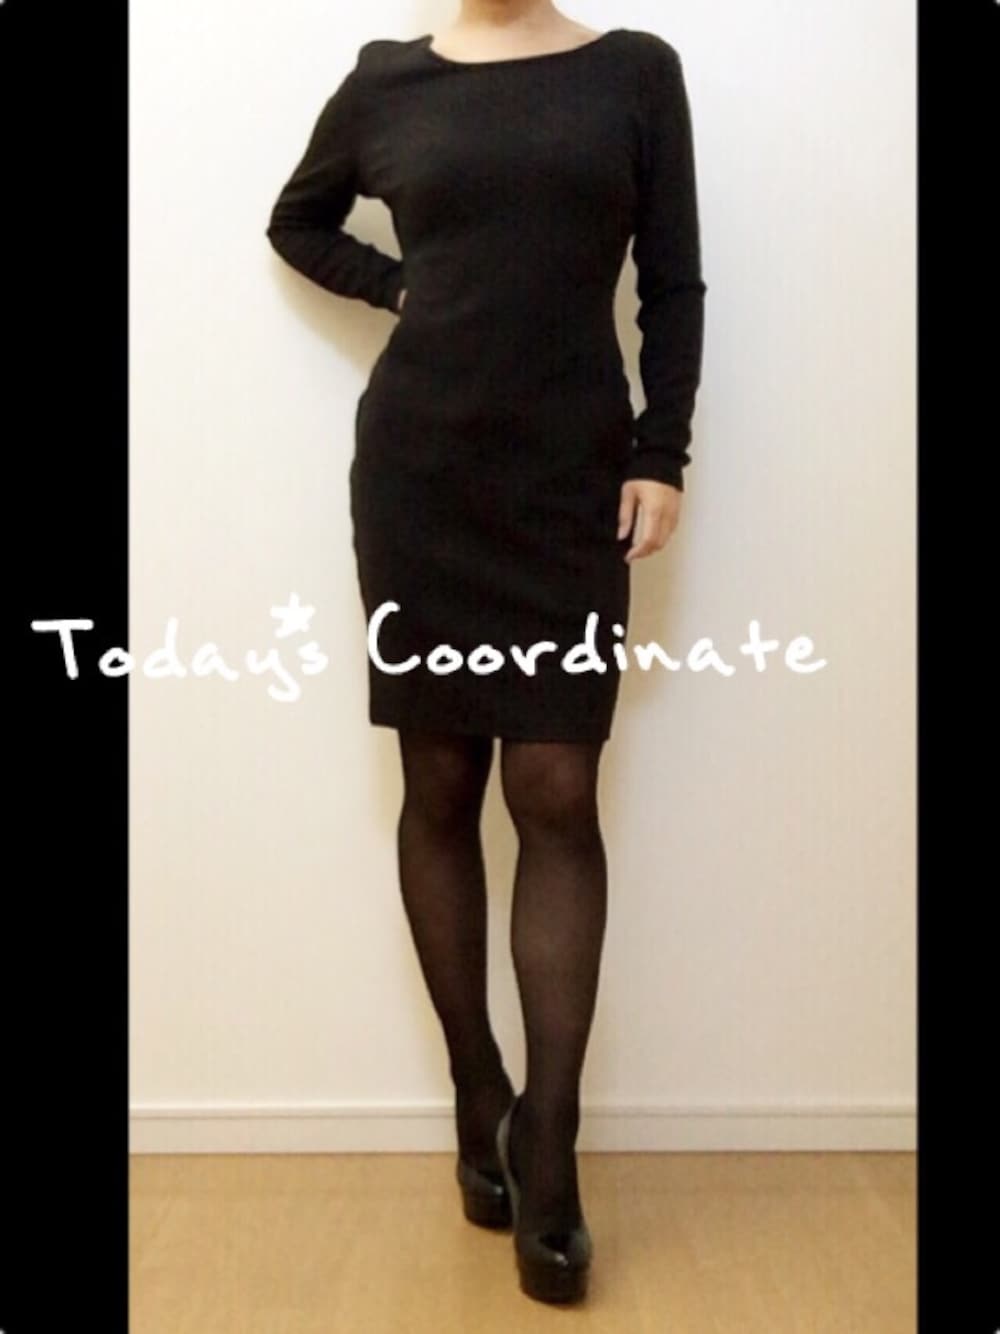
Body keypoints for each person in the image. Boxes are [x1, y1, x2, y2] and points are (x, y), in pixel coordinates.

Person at [266, 3, 706, 1305]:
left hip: (569, 480)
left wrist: (662, 450)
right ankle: (478, 1091)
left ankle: (548, 1145)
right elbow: (296, 221)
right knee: (442, 782)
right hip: (423, 477)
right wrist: (397, 285)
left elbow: (673, 280)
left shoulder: (634, 72)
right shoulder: (384, 82)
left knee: (554, 789)